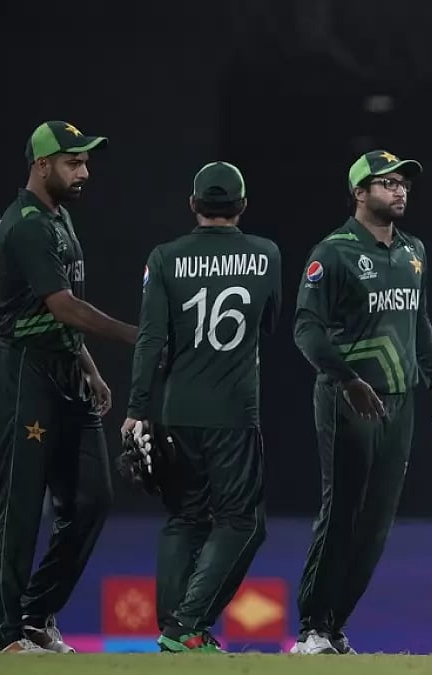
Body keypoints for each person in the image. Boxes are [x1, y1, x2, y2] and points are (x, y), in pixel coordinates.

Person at [0, 120, 137, 653]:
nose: (84, 172)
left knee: (94, 498)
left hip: (66, 369)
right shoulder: (25, 224)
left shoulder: (60, 218)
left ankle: (35, 616)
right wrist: (138, 337)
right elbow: (63, 306)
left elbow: (63, 312)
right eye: (74, 162)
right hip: (25, 371)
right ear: (42, 164)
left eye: (86, 162)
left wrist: (90, 368)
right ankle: (2, 637)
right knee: (21, 506)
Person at [291, 149, 432, 655]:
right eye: (386, 183)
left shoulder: (413, 251)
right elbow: (306, 330)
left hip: (399, 403)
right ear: (360, 193)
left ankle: (335, 626)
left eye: (403, 183)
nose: (399, 190)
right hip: (348, 399)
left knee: (377, 522)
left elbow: (418, 321)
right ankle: (312, 627)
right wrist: (345, 378)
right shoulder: (334, 251)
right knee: (341, 512)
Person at [122, 162, 282, 652]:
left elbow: (151, 340)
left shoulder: (164, 257)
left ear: (193, 205)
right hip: (234, 410)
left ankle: (175, 631)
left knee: (184, 517)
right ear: (242, 207)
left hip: (175, 409)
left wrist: (136, 408)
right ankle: (184, 625)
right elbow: (269, 323)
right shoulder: (265, 254)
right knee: (243, 522)